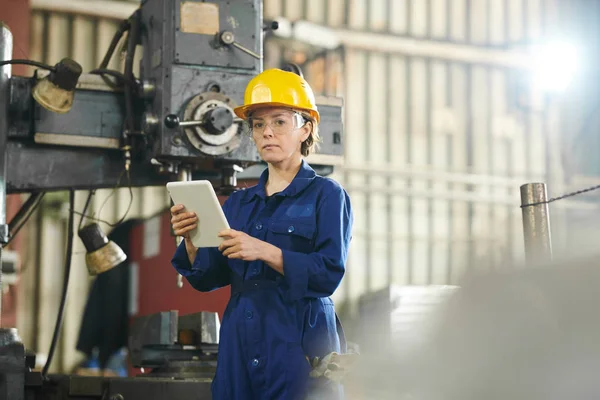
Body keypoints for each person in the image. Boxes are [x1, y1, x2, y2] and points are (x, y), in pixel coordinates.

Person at [170, 68, 354, 399]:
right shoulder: (239, 203)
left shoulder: (327, 195)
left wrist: (265, 251)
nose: (267, 132)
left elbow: (328, 273)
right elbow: (208, 276)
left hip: (300, 337)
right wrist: (191, 239)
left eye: (279, 122)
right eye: (258, 124)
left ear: (305, 129)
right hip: (241, 336)